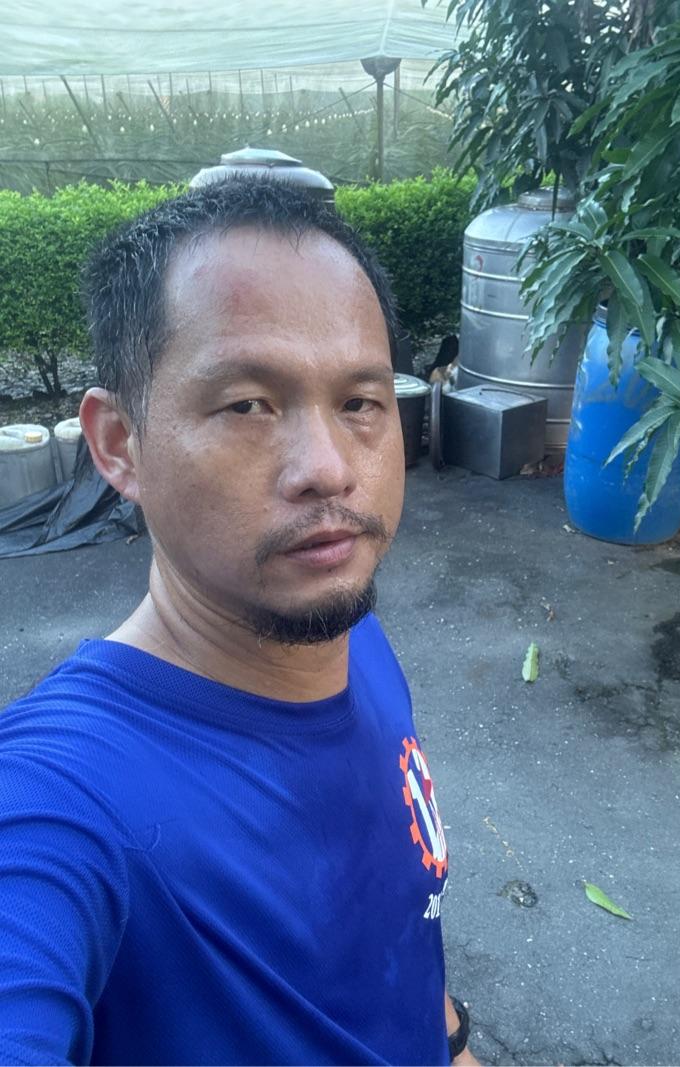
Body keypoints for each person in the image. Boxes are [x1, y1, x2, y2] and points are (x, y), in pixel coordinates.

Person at [0, 179, 476, 1066]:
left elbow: (395, 914)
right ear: (118, 444)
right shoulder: (57, 799)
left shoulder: (352, 639)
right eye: (248, 404)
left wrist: (450, 1041)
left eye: (360, 402)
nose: (329, 467)